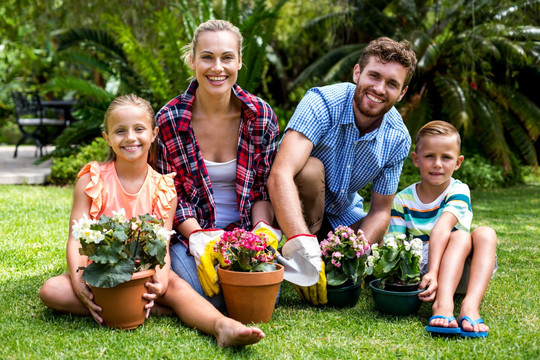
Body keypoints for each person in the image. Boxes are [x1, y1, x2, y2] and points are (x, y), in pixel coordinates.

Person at [39, 94, 265, 347]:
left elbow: (162, 243)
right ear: (107, 137)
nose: (130, 138)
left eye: (139, 129)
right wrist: (79, 284)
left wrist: (161, 277)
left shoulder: (163, 187)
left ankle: (222, 326)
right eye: (120, 131)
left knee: (177, 289)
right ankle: (153, 309)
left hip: (144, 273)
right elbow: (75, 238)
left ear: (154, 133)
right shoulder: (92, 180)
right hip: (100, 276)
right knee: (51, 290)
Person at [267, 37, 417, 305]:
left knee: (383, 250)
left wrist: (356, 255)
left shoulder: (398, 137)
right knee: (310, 170)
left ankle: (331, 262)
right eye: (374, 76)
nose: (380, 89)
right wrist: (303, 243)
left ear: (402, 93)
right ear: (357, 73)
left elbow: (381, 211)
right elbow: (281, 174)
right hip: (293, 207)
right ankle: (303, 253)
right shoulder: (322, 103)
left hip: (342, 216)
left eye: (392, 84)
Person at [155, 19, 280, 307]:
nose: (217, 68)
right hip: (192, 235)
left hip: (245, 233)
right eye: (207, 57)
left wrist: (262, 230)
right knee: (211, 296)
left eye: (227, 57)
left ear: (239, 61)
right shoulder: (169, 120)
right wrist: (198, 236)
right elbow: (169, 194)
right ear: (192, 60)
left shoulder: (260, 115)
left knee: (248, 292)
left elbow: (263, 189)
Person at [388, 120, 497, 337]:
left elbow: (441, 229)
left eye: (446, 157)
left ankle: (469, 306)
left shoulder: (458, 190)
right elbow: (396, 246)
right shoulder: (402, 200)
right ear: (416, 159)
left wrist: (435, 272)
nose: (437, 164)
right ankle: (443, 306)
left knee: (483, 233)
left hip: (459, 270)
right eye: (429, 156)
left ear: (458, 162)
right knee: (462, 237)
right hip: (423, 274)